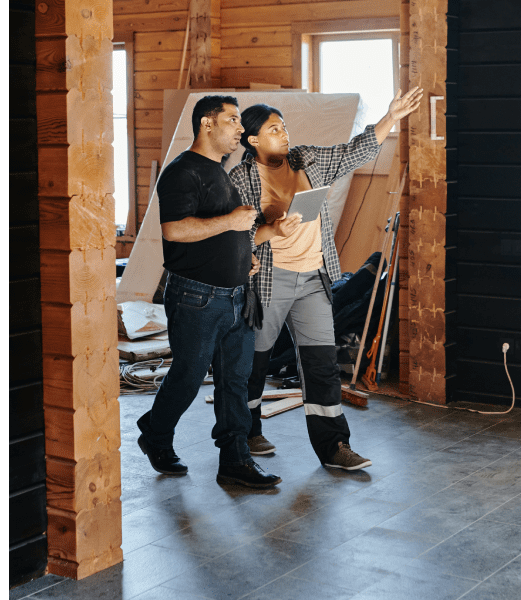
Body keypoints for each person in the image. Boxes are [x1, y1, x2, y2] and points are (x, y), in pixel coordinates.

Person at [229, 86, 423, 470]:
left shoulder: (308, 160)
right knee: (254, 361)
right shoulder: (241, 178)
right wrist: (271, 228)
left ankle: (334, 446)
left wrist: (391, 117)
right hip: (269, 280)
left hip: (313, 279)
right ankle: (246, 431)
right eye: (273, 129)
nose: (284, 134)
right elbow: (234, 234)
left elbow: (356, 151)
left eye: (284, 127)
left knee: (320, 364)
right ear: (252, 140)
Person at [136, 95, 281, 489]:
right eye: (232, 120)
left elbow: (222, 233)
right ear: (206, 124)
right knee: (187, 376)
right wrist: (233, 221)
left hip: (237, 295)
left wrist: (244, 258)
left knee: (235, 380)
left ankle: (235, 461)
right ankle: (156, 434)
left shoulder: (220, 171)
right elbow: (176, 230)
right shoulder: (182, 172)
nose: (239, 128)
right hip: (197, 297)